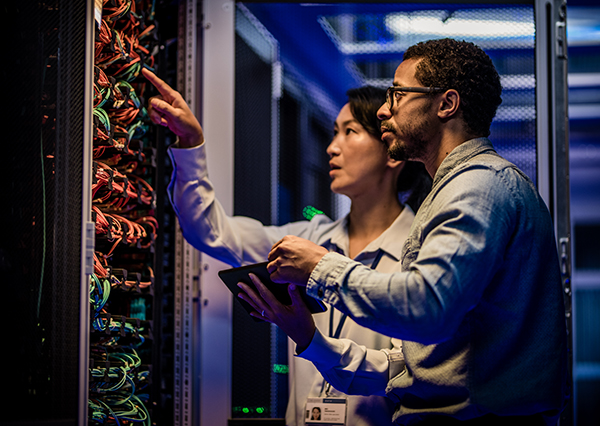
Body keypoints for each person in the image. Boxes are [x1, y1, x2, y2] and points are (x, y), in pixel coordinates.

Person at [248, 38, 569, 425]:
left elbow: (426, 308)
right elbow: (419, 366)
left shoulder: (477, 187)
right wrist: (308, 337)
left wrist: (321, 267)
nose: (384, 110)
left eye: (398, 94)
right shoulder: (455, 191)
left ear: (446, 104)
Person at [141, 67, 432, 426]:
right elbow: (210, 231)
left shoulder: (419, 255)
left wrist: (310, 339)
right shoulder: (308, 240)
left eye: (350, 132)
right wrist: (190, 145)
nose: (331, 147)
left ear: (392, 152)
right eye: (334, 133)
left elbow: (404, 372)